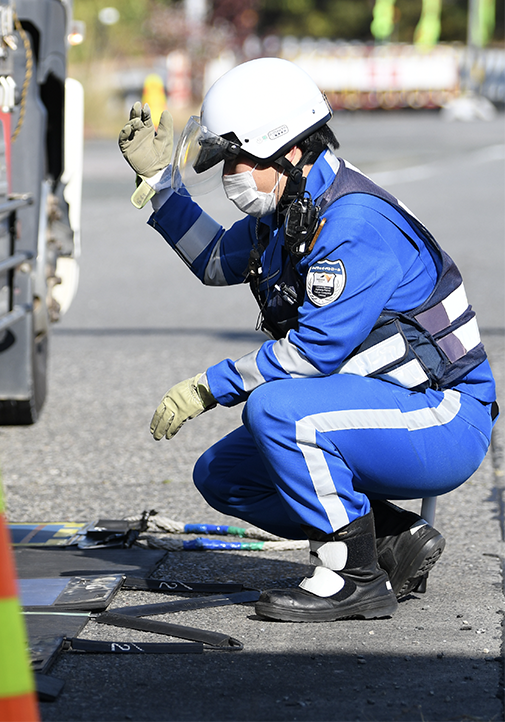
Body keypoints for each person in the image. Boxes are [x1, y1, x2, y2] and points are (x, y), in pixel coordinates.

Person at [119, 57, 497, 623]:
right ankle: (394, 539)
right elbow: (216, 258)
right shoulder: (295, 210)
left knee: (278, 409)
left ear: (290, 151)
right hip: (382, 407)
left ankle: (352, 578)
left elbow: (310, 356)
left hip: (441, 418)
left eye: (241, 159)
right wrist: (162, 186)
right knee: (225, 475)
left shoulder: (352, 225)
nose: (232, 175)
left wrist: (206, 388)